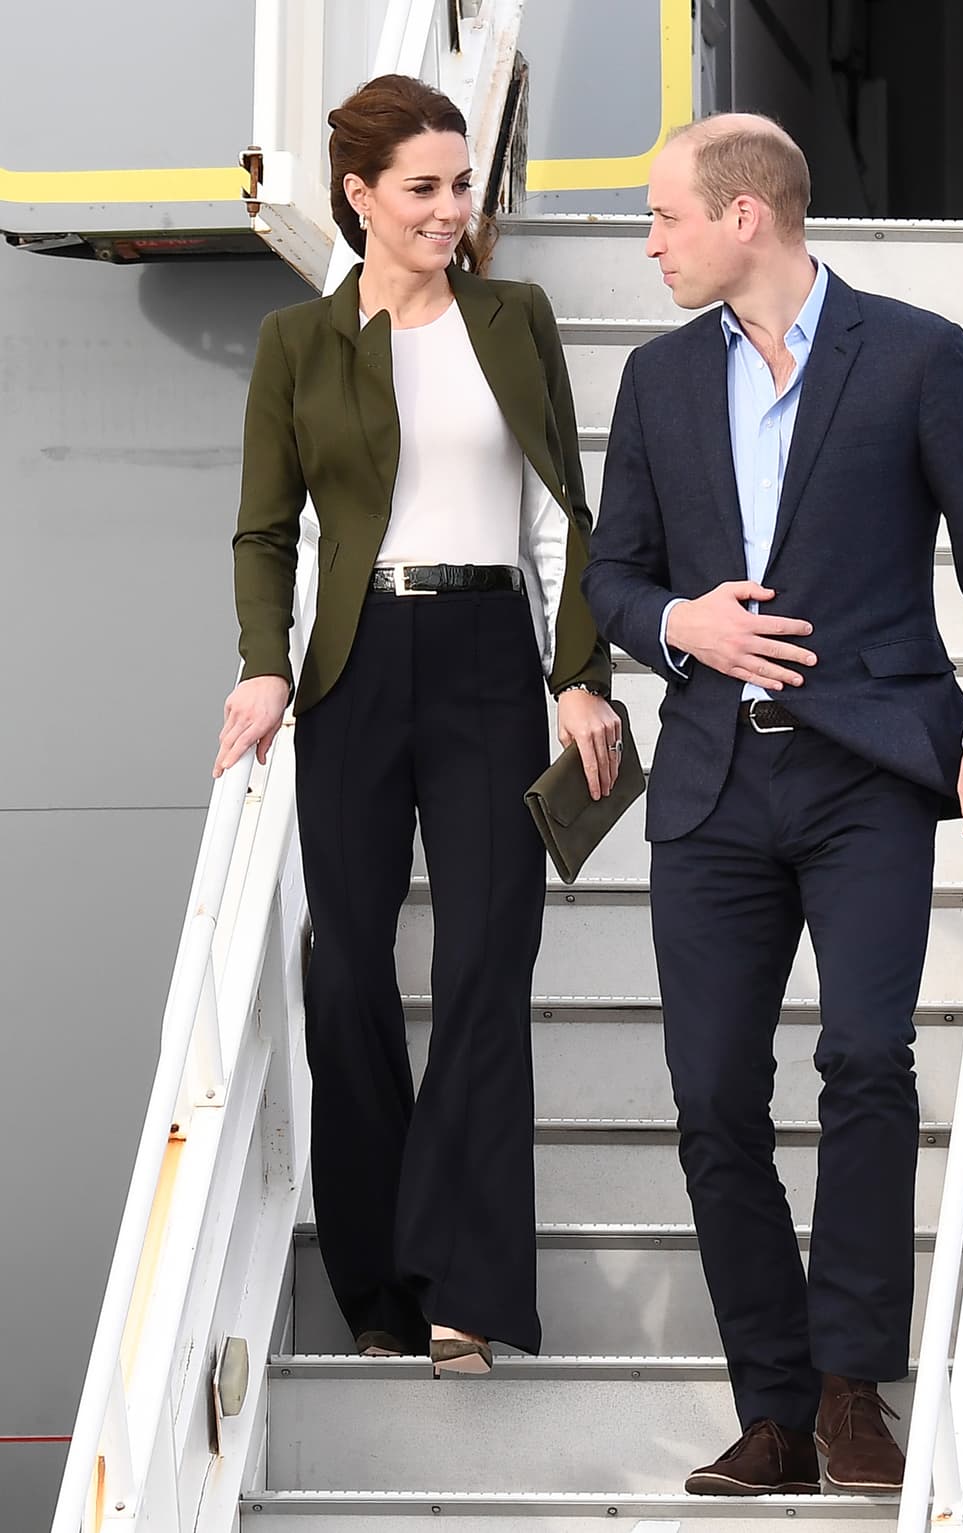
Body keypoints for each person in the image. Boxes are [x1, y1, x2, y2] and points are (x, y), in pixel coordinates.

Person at [583, 115, 963, 1495]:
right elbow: (611, 576)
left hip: (865, 777)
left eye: (664, 216)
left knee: (865, 1063)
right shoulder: (659, 380)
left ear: (747, 217)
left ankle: (855, 1392)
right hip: (715, 788)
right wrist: (684, 625)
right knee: (713, 1099)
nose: (650, 242)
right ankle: (773, 1409)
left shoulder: (913, 355)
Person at [213, 75, 620, 1373]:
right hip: (356, 666)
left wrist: (578, 673)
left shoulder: (518, 319)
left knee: (486, 970)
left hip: (494, 662)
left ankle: (467, 1290)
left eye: (463, 185)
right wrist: (262, 667)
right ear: (360, 196)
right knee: (346, 981)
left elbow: (560, 507)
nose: (452, 210)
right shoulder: (298, 344)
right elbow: (267, 531)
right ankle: (379, 1287)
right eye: (425, 188)